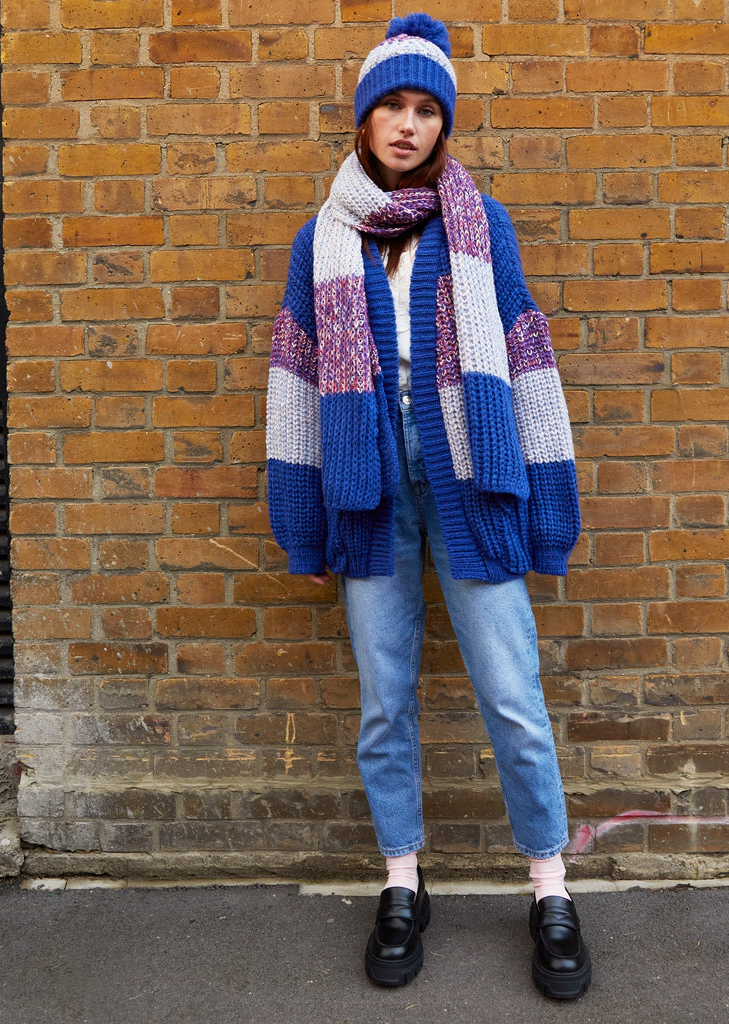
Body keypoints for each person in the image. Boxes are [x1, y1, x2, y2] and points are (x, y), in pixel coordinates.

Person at [266, 13, 591, 1000]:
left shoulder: (478, 227)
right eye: (390, 107)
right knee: (383, 702)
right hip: (368, 499)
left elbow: (528, 357)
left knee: (512, 700)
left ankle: (549, 887)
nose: (406, 125)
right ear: (363, 120)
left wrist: (549, 509)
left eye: (423, 109)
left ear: (441, 124)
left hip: (470, 483)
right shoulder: (319, 238)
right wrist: (303, 520)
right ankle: (402, 880)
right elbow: (296, 383)